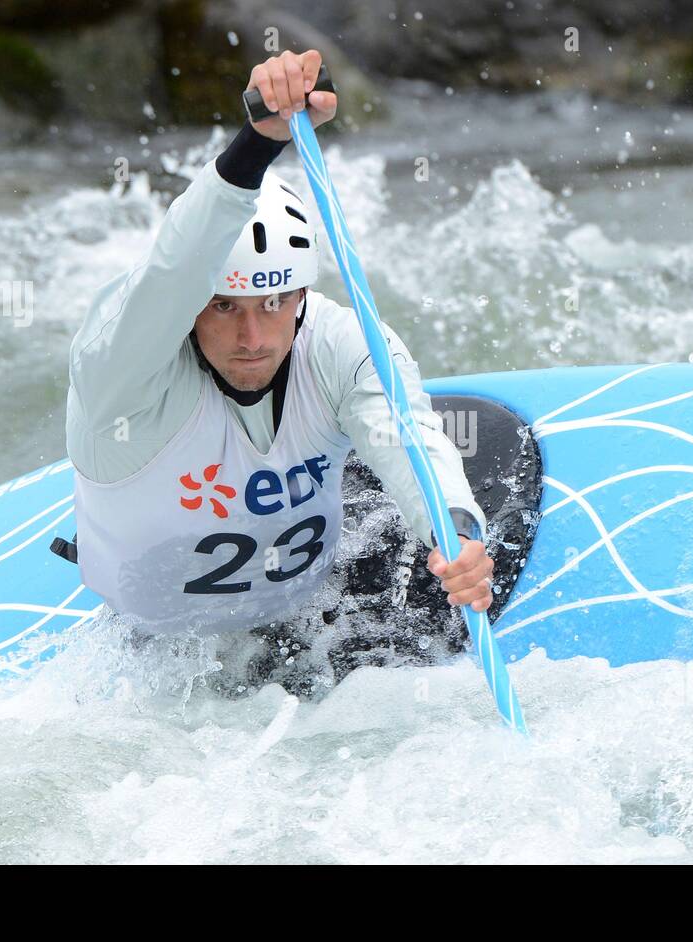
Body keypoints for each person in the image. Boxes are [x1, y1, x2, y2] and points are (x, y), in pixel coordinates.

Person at [63, 49, 493, 688]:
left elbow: (412, 440)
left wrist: (456, 530)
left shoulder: (337, 342)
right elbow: (173, 270)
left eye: (274, 303)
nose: (252, 337)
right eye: (223, 307)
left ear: (300, 296)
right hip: (154, 655)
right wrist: (259, 141)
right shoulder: (121, 377)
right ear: (189, 310)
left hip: (316, 623)